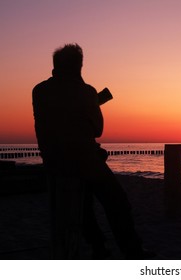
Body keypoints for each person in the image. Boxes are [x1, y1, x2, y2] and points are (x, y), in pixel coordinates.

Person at [32, 43, 151, 259]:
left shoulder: (39, 91)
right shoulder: (85, 91)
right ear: (79, 66)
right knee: (118, 203)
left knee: (84, 208)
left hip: (54, 163)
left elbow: (57, 120)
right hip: (85, 162)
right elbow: (98, 130)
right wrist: (91, 101)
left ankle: (98, 247)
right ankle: (132, 251)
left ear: (55, 66)